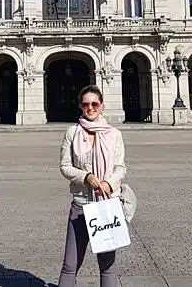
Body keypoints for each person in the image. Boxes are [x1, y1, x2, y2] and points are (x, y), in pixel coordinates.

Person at [58, 85, 126, 287]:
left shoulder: (114, 134)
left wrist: (107, 183)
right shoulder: (72, 132)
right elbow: (64, 166)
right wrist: (85, 176)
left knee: (107, 266)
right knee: (70, 265)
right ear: (80, 106)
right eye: (86, 104)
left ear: (102, 106)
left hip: (106, 205)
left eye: (95, 104)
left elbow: (120, 168)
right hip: (80, 206)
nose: (90, 108)